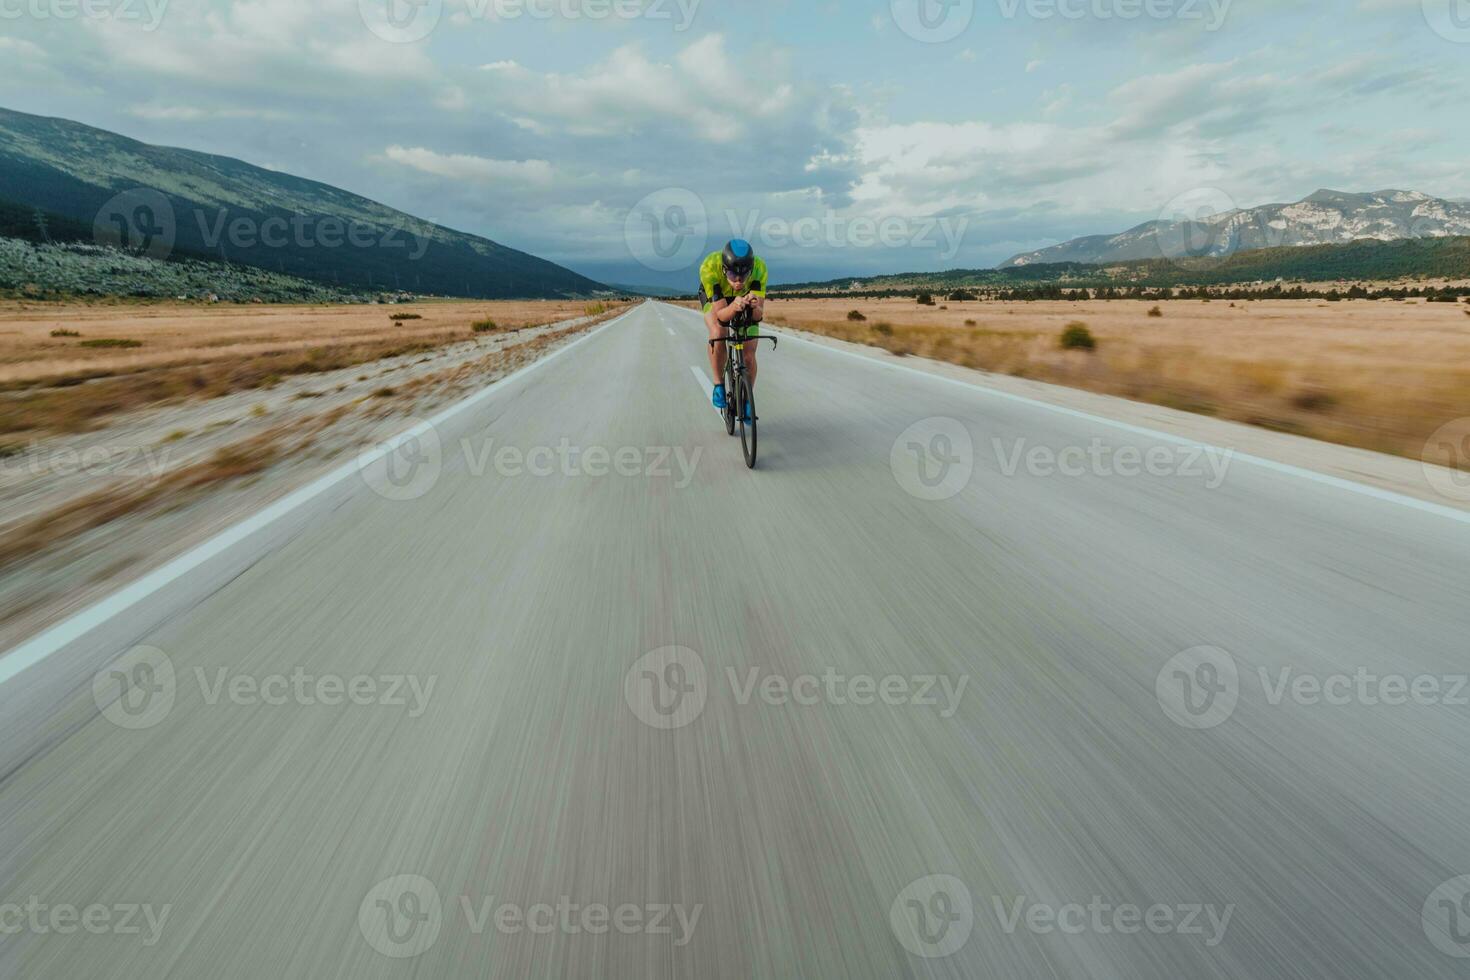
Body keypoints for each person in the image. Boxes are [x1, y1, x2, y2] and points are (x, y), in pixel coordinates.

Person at [699, 239, 768, 413]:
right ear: (724, 269)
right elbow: (722, 316)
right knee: (718, 332)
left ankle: (746, 400)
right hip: (717, 299)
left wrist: (753, 307)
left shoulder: (759, 268)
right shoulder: (709, 266)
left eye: (744, 275)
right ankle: (718, 385)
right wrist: (733, 307)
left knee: (749, 355)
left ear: (750, 270)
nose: (738, 281)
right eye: (732, 275)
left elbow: (759, 315)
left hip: (744, 300)